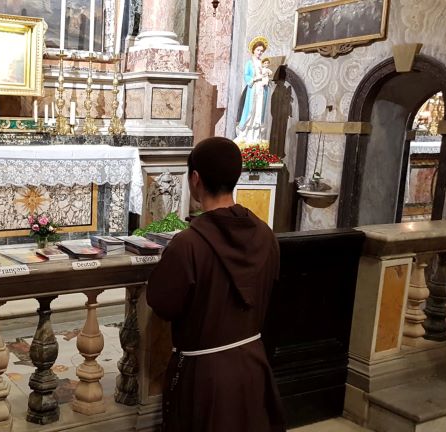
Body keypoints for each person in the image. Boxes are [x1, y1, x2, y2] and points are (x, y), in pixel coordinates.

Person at [147, 137, 285, 432]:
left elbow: (162, 304)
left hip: (203, 379)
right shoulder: (265, 234)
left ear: (195, 179)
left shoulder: (188, 244)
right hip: (253, 367)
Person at [235, 36, 271, 147]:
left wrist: (266, 78)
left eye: (261, 51)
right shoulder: (250, 63)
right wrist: (255, 78)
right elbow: (247, 76)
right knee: (251, 111)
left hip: (262, 90)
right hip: (254, 89)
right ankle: (245, 134)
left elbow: (266, 74)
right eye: (258, 50)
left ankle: (256, 136)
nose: (260, 52)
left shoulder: (263, 63)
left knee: (259, 112)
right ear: (253, 50)